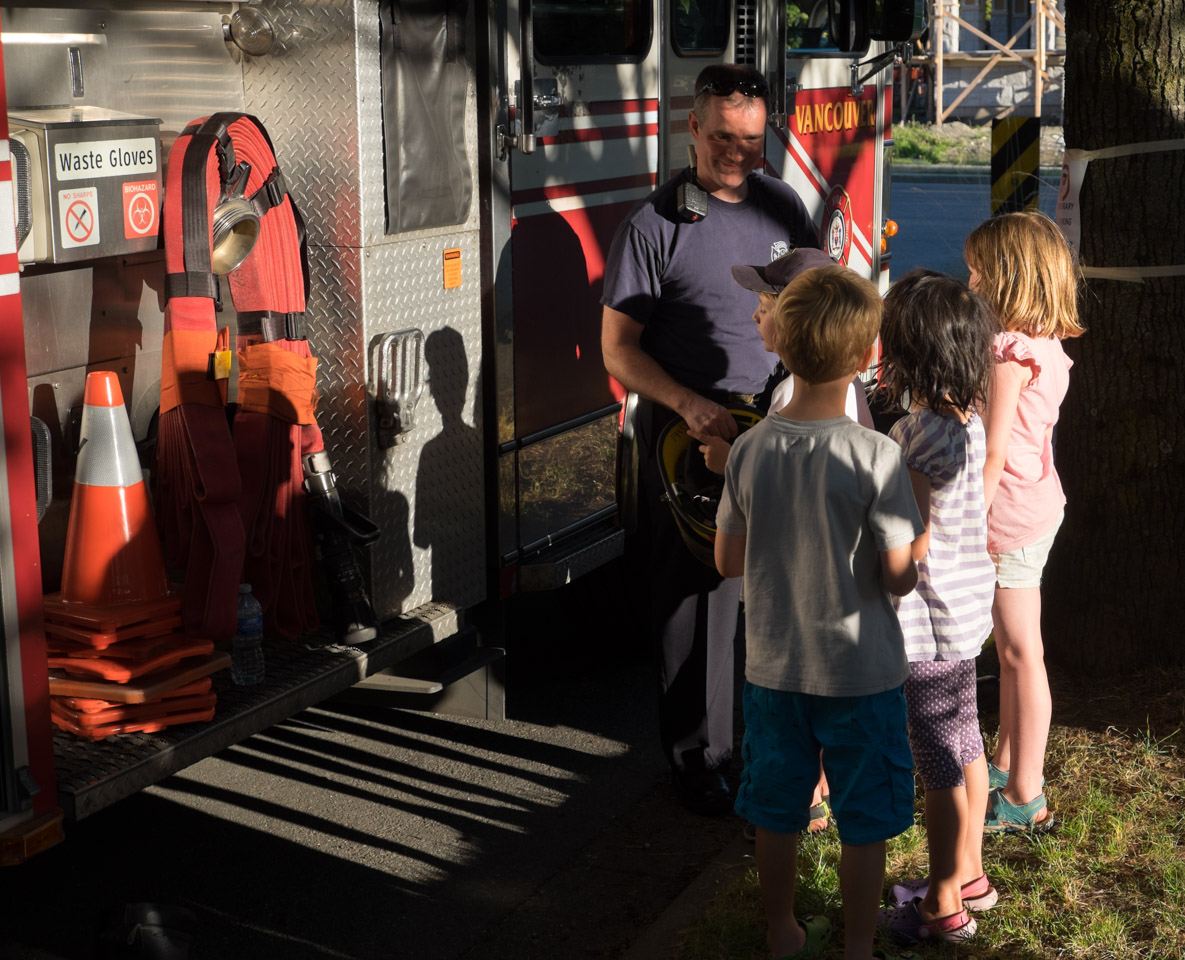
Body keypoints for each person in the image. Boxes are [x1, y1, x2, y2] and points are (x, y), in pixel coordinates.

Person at [601, 63, 820, 815]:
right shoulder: (654, 224)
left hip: (778, 419)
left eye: (752, 141)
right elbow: (619, 349)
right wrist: (690, 406)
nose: (737, 154)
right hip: (689, 431)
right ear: (691, 129)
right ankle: (698, 761)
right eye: (723, 138)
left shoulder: (785, 204)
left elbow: (816, 304)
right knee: (697, 600)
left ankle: (763, 745)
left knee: (775, 595)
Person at [715, 264, 923, 960]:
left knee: (776, 807)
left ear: (778, 343)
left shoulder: (748, 449)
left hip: (773, 667)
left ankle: (781, 930)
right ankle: (858, 943)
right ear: (869, 357)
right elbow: (897, 577)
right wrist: (909, 560)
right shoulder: (876, 455)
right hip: (860, 673)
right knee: (863, 818)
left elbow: (725, 561)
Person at [699, 245, 874, 837]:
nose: (754, 315)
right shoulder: (830, 393)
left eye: (766, 303)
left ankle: (806, 800)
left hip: (794, 605)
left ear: (799, 322)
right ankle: (817, 795)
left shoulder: (788, 404)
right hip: (839, 608)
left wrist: (730, 462)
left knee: (795, 717)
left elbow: (789, 501)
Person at [873, 270, 1000, 943]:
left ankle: (942, 901)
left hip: (927, 626)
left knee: (936, 765)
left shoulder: (915, 436)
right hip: (967, 610)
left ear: (905, 354)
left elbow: (912, 539)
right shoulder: (966, 421)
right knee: (966, 739)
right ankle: (970, 873)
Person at [964, 212, 1084, 833]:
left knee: (1019, 651)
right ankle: (1010, 764)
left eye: (979, 271)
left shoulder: (1008, 354)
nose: (972, 281)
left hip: (1007, 516)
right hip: (1037, 505)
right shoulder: (1047, 345)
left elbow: (992, 446)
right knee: (1014, 654)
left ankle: (1027, 794)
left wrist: (965, 516)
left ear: (1008, 278)